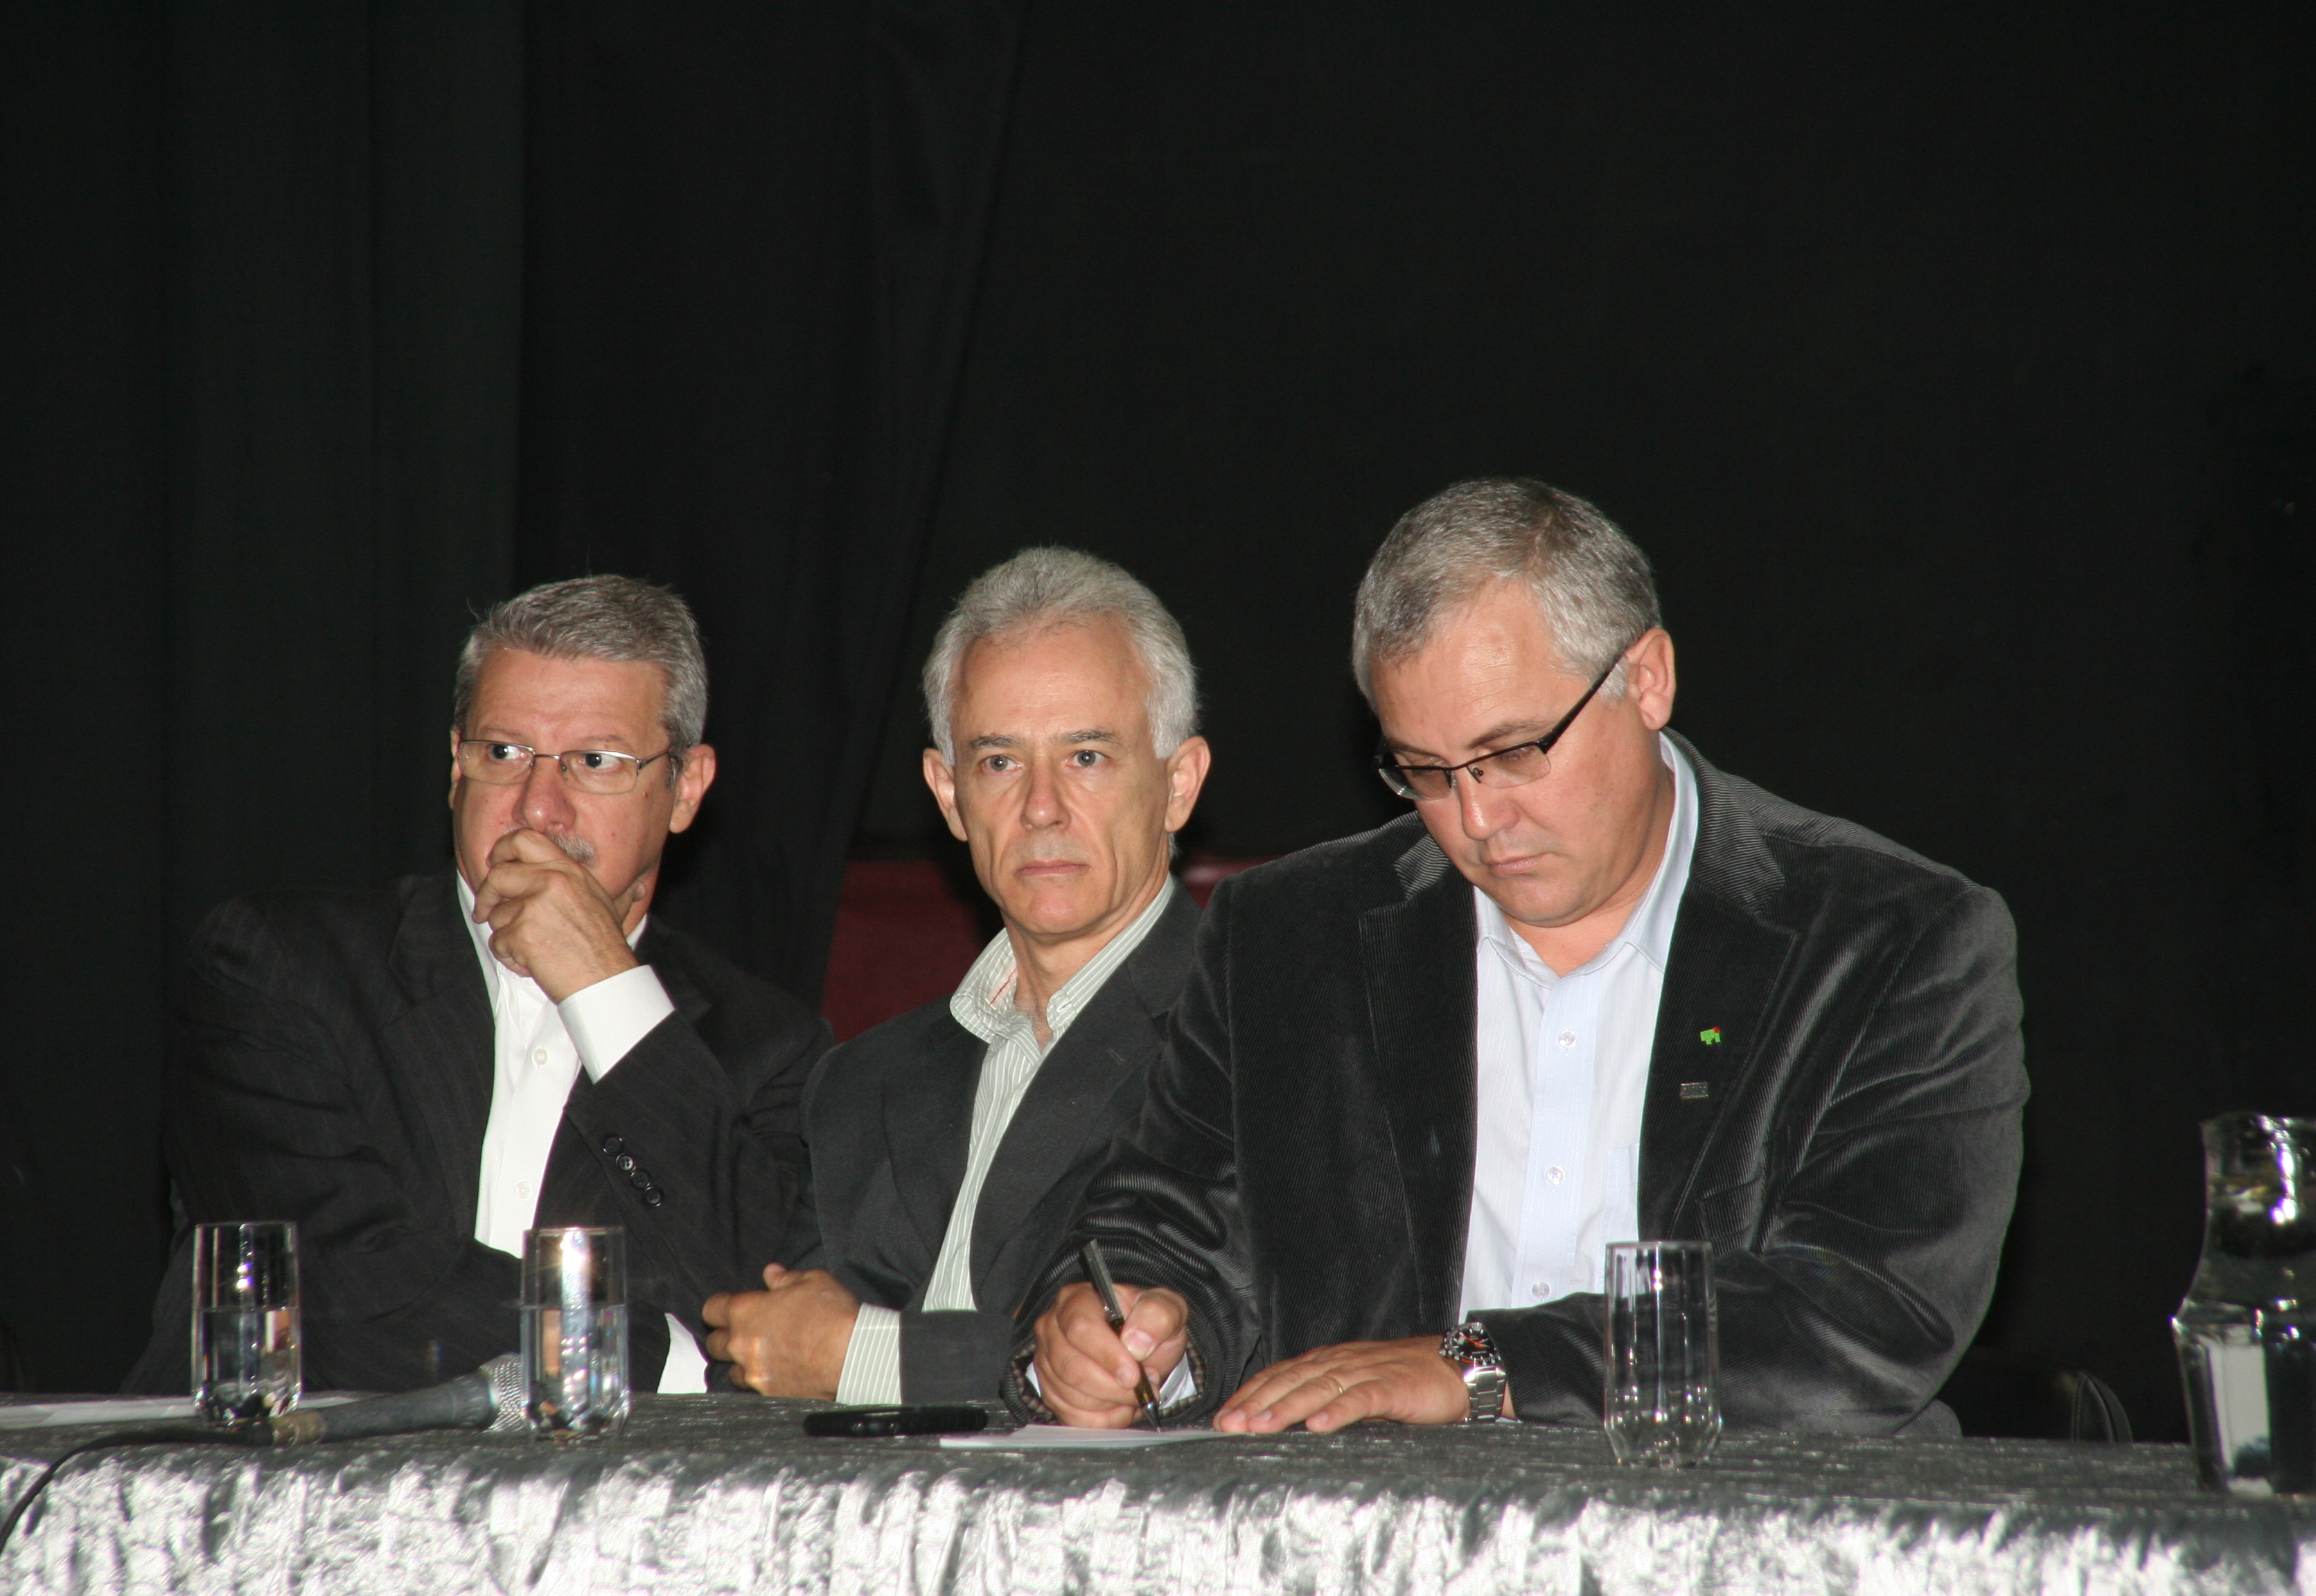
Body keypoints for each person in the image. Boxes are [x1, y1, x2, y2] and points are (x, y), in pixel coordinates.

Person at [1027, 478, 2027, 1436]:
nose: (1476, 817)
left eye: (1514, 753)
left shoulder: (1893, 940)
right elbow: (1164, 1234)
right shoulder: (1287, 936)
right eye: (1425, 771)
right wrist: (1123, 1337)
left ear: (1646, 680)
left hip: (1739, 1519)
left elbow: (1867, 1313)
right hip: (1383, 1524)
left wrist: (1480, 1366)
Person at [127, 576, 829, 1394]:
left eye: (594, 762)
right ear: (454, 767)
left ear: (687, 788)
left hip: (619, 1479)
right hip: (294, 1464)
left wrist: (604, 987)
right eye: (502, 753)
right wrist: (670, 1361)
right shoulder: (279, 967)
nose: (539, 809)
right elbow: (328, 1287)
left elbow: (770, 1304)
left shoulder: (772, 1050)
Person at [702, 549, 1211, 1405]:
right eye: (999, 762)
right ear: (948, 795)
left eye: (1087, 757)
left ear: (1178, 785)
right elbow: (772, 1351)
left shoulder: (1246, 1037)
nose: (1041, 807)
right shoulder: (862, 1082)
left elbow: (1176, 1365)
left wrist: (866, 1358)